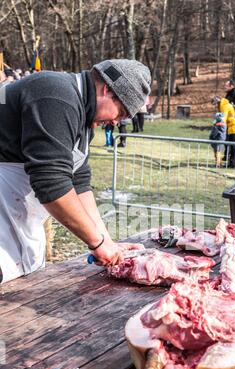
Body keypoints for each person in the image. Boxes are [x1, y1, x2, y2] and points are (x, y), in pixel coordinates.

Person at [0, 59, 151, 284]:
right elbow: (51, 183)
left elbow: (79, 181)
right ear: (107, 89)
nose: (115, 122)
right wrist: (97, 244)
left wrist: (106, 240)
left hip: (16, 216)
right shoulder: (55, 95)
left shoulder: (82, 115)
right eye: (121, 113)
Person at [212, 96, 235, 169]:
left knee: (232, 145)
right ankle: (230, 162)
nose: (215, 107)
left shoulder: (224, 106)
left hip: (234, 127)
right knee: (229, 144)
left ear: (217, 102)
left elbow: (223, 119)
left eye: (215, 104)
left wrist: (216, 124)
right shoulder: (224, 105)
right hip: (231, 127)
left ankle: (233, 163)